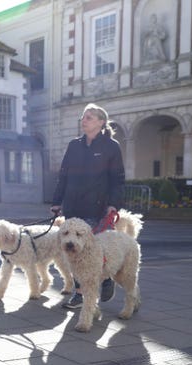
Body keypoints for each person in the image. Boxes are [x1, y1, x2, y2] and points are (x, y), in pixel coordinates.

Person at [50, 103, 125, 309]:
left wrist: (113, 205)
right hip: (73, 209)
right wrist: (57, 202)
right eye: (83, 116)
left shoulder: (111, 147)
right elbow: (63, 176)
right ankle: (80, 293)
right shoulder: (74, 145)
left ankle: (107, 278)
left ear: (101, 122)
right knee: (74, 254)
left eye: (89, 117)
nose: (84, 120)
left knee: (98, 252)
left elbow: (117, 180)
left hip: (99, 210)